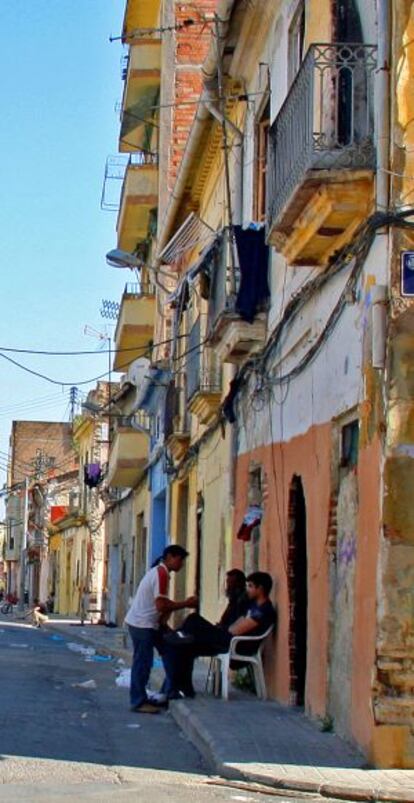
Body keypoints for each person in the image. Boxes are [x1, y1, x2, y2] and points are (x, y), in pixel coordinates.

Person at [164, 571, 276, 698]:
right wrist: (229, 627)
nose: (247, 589)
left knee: (193, 619)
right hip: (227, 636)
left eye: (250, 586)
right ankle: (184, 689)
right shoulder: (253, 606)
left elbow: (237, 630)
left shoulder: (263, 610)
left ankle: (179, 635)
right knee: (186, 646)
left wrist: (227, 628)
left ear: (260, 588)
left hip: (234, 643)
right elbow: (239, 622)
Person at [125, 544, 198, 714]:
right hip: (143, 624)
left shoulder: (160, 573)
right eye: (180, 560)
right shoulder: (161, 573)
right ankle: (138, 701)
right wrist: (186, 603)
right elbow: (161, 605)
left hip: (152, 624)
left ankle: (170, 690)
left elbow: (159, 605)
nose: (181, 565)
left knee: (171, 651)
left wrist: (164, 625)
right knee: (142, 663)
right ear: (170, 557)